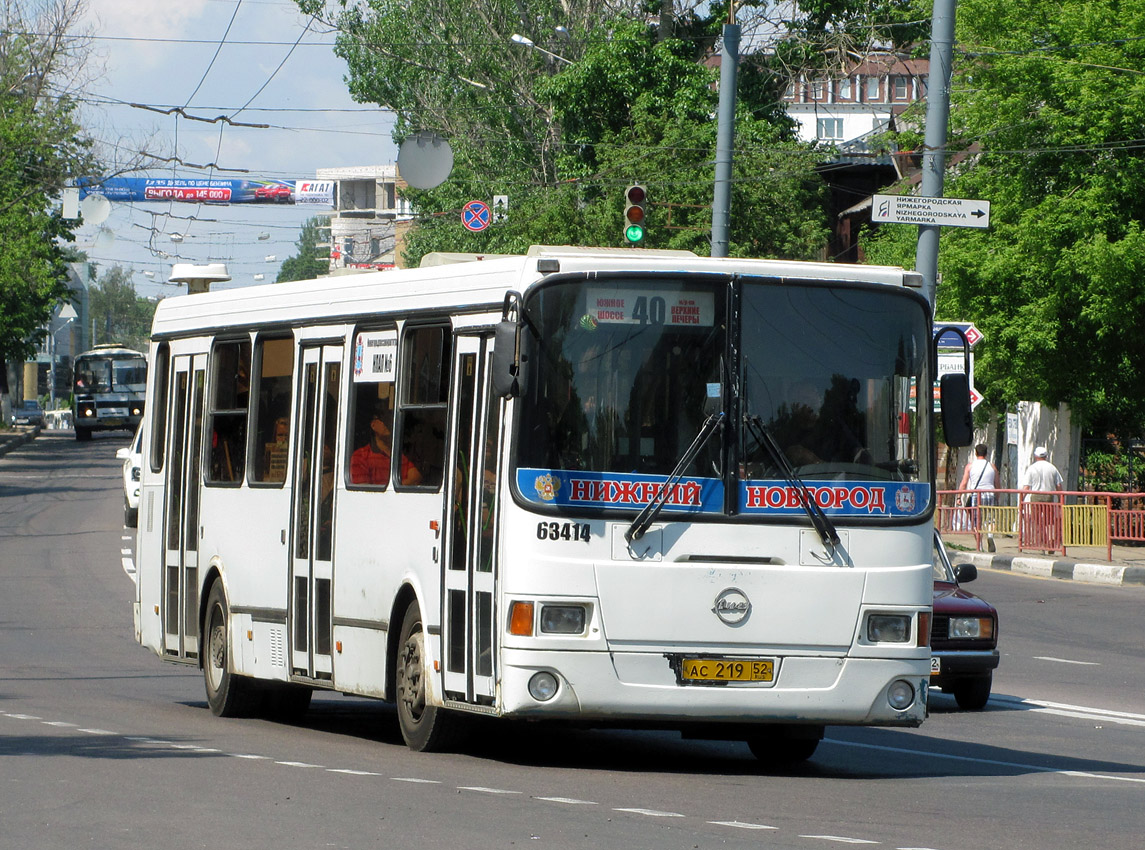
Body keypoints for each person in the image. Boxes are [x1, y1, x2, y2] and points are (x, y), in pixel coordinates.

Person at [350, 403, 421, 487]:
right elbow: (364, 492)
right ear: (373, 425)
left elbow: (416, 478)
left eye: (392, 419)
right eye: (385, 419)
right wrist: (400, 485)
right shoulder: (360, 456)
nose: (390, 423)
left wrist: (388, 487)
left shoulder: (400, 455)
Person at [959, 443, 998, 551]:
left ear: (976, 453)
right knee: (990, 519)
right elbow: (997, 483)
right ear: (986, 453)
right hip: (990, 494)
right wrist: (997, 496)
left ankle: (979, 546)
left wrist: (959, 497)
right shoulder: (992, 466)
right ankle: (990, 536)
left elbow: (964, 482)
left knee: (976, 521)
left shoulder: (970, 466)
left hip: (977, 495)